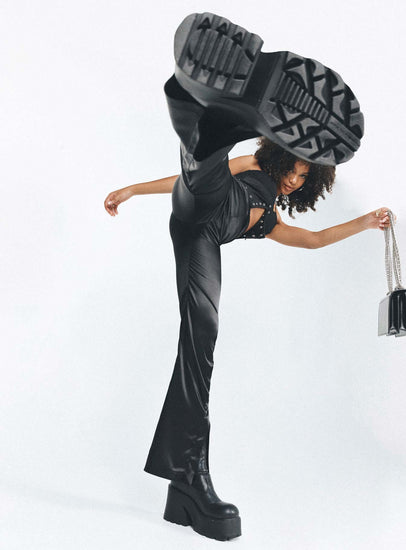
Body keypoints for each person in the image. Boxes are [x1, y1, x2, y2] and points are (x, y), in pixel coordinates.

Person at [104, 12, 392, 542]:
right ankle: (207, 109)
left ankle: (186, 481)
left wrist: (367, 222)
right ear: (278, 152)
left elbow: (314, 240)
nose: (296, 176)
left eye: (304, 174)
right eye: (294, 165)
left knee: (203, 337)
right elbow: (179, 180)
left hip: (202, 240)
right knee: (203, 165)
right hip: (203, 199)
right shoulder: (252, 170)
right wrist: (131, 190)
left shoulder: (271, 221)